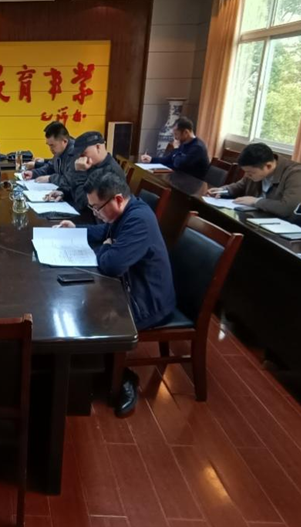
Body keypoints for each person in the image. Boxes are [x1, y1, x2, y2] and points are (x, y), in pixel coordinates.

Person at [56, 172, 176, 417]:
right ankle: (93, 367)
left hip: (147, 300)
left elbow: (112, 265)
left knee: (87, 312)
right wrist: (76, 230)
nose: (95, 212)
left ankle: (121, 377)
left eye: (97, 208)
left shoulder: (139, 220)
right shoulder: (125, 211)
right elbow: (105, 232)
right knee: (80, 298)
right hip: (129, 285)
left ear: (118, 199)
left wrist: (105, 249)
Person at [206, 143, 301, 218]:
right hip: (260, 218)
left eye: (250, 172)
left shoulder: (297, 174)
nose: (247, 175)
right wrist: (223, 190)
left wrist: (256, 201)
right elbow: (240, 186)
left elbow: (288, 208)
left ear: (268, 166)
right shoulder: (255, 171)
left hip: (292, 230)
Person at [46, 131, 125, 211]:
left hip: (93, 215)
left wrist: (79, 172)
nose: (80, 158)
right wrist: (64, 192)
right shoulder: (93, 164)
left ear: (98, 147)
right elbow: (80, 187)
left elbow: (84, 202)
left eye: (83, 154)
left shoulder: (111, 173)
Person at [139, 116, 209, 180]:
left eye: (176, 134)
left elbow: (179, 164)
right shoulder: (184, 143)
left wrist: (176, 149)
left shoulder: (197, 147)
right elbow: (169, 159)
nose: (175, 138)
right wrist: (151, 159)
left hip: (192, 183)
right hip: (180, 178)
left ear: (186, 132)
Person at [23, 121, 75, 187]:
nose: (50, 149)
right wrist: (33, 173)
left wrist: (50, 178)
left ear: (64, 141)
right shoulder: (59, 151)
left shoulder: (75, 153)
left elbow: (70, 181)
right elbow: (50, 167)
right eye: (49, 145)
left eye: (52, 145)